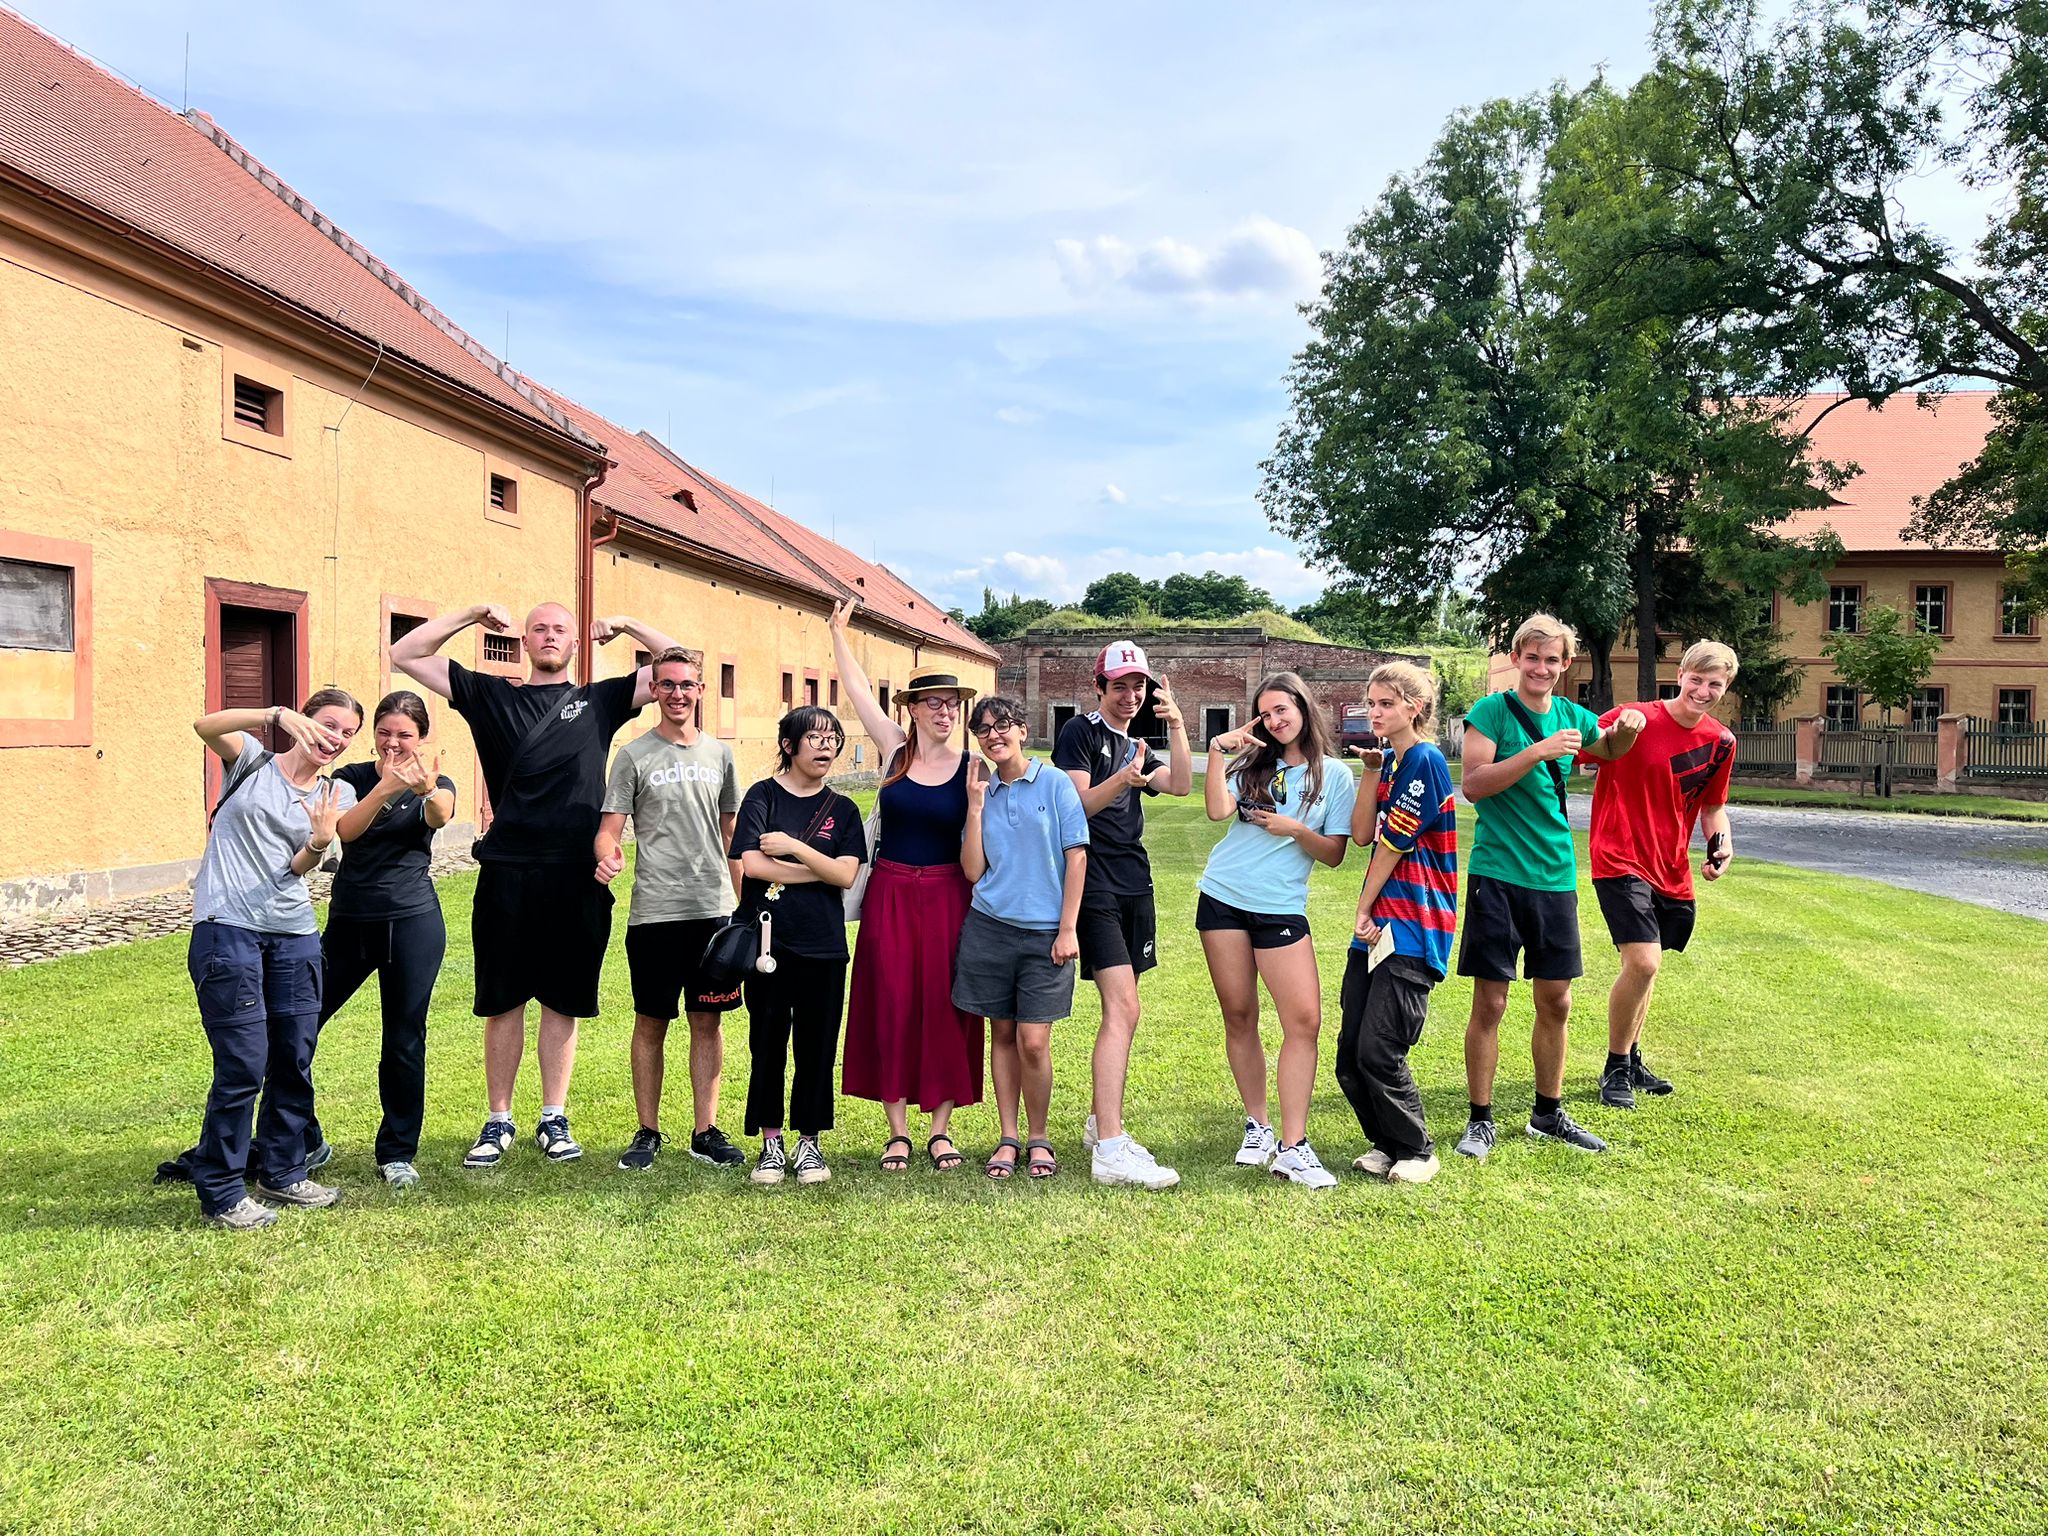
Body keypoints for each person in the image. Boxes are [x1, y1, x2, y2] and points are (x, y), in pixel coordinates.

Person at [391, 601, 677, 1169]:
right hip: (508, 870)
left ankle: (554, 1115)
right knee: (503, 1000)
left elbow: (675, 666)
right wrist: (471, 615)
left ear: (577, 643)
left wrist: (628, 622)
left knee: (561, 999)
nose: (550, 636)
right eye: (540, 629)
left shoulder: (601, 700)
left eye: (561, 629)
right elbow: (405, 653)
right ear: (524, 641)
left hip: (577, 872)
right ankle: (498, 1119)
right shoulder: (489, 696)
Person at [1453, 613, 1643, 1161]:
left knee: (1556, 1001)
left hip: (1555, 876)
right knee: (1491, 1001)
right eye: (1532, 658)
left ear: (1564, 665)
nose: (1541, 668)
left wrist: (1626, 730)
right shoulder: (1491, 712)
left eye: (1552, 660)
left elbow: (1607, 750)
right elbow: (1474, 786)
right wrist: (1536, 751)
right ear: (1516, 659)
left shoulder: (1570, 714)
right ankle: (1481, 1119)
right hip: (1499, 873)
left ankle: (1547, 1112)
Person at [183, 691, 361, 1229]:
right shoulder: (251, 758)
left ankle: (282, 1171)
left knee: (293, 1056)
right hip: (226, 927)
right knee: (242, 1063)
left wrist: (320, 841)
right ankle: (220, 1188)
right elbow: (203, 723)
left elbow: (299, 867)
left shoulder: (339, 790)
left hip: (294, 935)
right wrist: (275, 716)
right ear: (305, 719)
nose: (337, 738)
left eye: (348, 733)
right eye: (329, 725)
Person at [829, 599, 983, 1174]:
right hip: (890, 891)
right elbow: (858, 690)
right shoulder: (897, 750)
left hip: (949, 894)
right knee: (890, 1001)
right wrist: (838, 634)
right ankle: (897, 1132)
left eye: (952, 703)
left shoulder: (975, 767)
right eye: (933, 703)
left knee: (947, 1005)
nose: (944, 711)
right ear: (914, 709)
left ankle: (940, 1131)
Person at [1197, 672, 1356, 1189]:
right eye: (1265, 713)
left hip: (1280, 907)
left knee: (1303, 1021)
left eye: (1283, 709)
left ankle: (1294, 1145)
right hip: (1222, 898)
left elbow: (1334, 854)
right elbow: (1218, 810)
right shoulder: (1250, 762)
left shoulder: (1333, 774)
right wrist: (1220, 751)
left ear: (1304, 709)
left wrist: (1296, 829)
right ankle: (1259, 1127)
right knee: (1239, 1015)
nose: (1275, 721)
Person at [596, 647, 745, 1171]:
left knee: (708, 1021)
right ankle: (647, 1131)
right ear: (654, 690)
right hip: (656, 911)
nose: (677, 693)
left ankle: (705, 1130)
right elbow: (609, 830)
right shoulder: (633, 756)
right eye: (667, 684)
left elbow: (732, 834)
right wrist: (606, 858)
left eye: (687, 684)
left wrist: (739, 903)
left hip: (712, 910)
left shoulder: (721, 755)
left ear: (701, 690)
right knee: (651, 1020)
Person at [1053, 640, 1193, 1189]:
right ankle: (1110, 1147)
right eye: (1120, 686)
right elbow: (1077, 806)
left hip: (1137, 882)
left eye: (1139, 686)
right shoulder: (1081, 732)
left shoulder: (1137, 741)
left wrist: (1178, 727)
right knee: (1123, 1007)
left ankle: (1099, 1123)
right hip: (1096, 885)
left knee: (1127, 1011)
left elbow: (1180, 785)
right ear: (1099, 687)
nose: (1131, 695)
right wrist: (1124, 781)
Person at [312, 690, 457, 1190]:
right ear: (373, 733)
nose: (394, 743)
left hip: (412, 924)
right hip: (351, 922)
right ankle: (304, 1138)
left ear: (422, 738)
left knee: (403, 1040)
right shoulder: (350, 779)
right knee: (298, 1026)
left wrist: (423, 789)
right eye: (385, 733)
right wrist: (386, 787)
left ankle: (397, 1152)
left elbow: (440, 814)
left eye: (405, 735)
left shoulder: (434, 782)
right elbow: (344, 833)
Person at [1589, 641, 1739, 1109]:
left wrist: (1722, 846)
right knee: (1644, 962)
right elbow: (1575, 754)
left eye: (1715, 684)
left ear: (1726, 687)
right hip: (1618, 855)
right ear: (1681, 674)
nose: (1703, 690)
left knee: (1648, 968)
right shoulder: (1633, 717)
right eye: (1697, 679)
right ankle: (1615, 1066)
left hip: (1670, 865)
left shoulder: (1721, 742)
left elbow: (1713, 807)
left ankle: (1632, 1060)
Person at [954, 695, 1089, 1180]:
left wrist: (1069, 928)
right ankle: (1009, 1137)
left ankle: (1039, 1137)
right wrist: (973, 807)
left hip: (1046, 932)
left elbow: (1077, 857)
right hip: (990, 925)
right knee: (1003, 1034)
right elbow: (973, 871)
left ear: (1023, 730)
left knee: (1034, 1041)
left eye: (1003, 725)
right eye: (983, 729)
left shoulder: (1054, 783)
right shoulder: (983, 793)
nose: (994, 734)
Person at [731, 707, 867, 1187]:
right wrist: (819, 871)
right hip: (769, 943)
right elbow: (753, 865)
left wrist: (793, 846)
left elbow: (848, 875)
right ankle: (771, 1143)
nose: (826, 746)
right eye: (815, 737)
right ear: (789, 745)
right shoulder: (761, 796)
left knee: (817, 1046)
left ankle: (809, 1142)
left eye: (833, 737)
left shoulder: (844, 810)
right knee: (766, 1043)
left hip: (823, 946)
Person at [1337, 662, 1458, 1184]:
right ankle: (1387, 1144)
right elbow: (1362, 833)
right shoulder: (1390, 763)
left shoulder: (1426, 760)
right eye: (1372, 703)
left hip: (1413, 926)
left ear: (1415, 707)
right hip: (1379, 931)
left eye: (1387, 703)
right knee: (1349, 1057)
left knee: (1379, 1048)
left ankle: (1418, 1150)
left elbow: (1394, 842)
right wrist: (1369, 770)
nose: (1376, 712)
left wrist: (1363, 907)